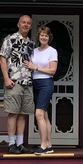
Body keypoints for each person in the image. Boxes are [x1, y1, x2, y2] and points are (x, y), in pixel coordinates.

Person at [0, 15, 35, 154]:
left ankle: (20, 144)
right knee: (13, 113)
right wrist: (6, 78)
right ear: (18, 24)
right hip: (14, 81)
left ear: (30, 26)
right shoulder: (10, 39)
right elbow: (3, 59)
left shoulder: (31, 44)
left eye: (28, 23)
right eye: (23, 22)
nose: (26, 25)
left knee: (23, 114)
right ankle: (11, 144)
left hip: (28, 82)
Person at [25, 26, 58, 155]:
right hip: (35, 83)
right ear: (38, 37)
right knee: (44, 115)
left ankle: (43, 145)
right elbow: (28, 66)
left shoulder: (52, 51)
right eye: (42, 35)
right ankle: (49, 145)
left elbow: (52, 71)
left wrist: (36, 68)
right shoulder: (34, 51)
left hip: (46, 83)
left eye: (46, 35)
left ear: (49, 38)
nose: (44, 37)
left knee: (38, 114)